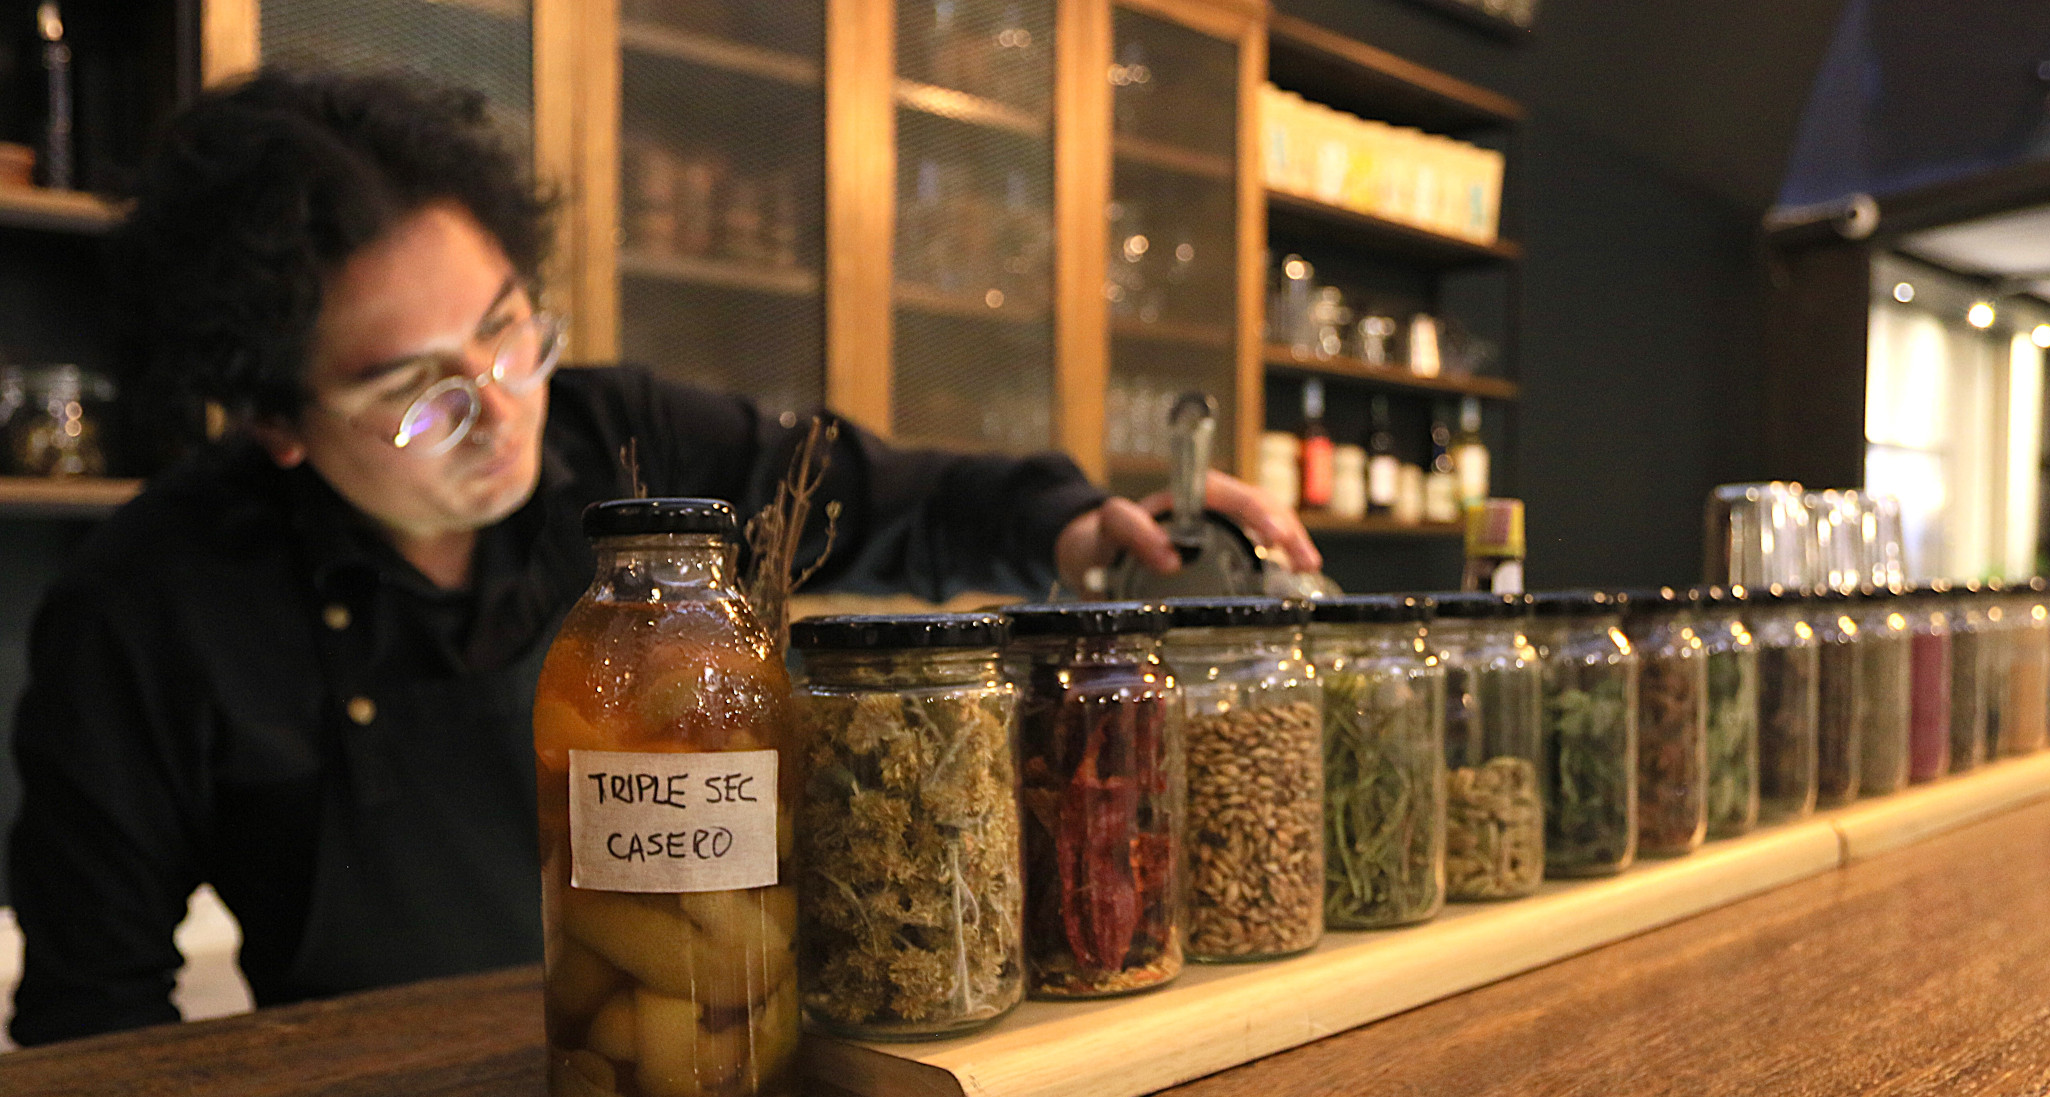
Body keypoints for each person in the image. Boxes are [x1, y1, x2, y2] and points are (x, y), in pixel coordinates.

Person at [5, 70, 1317, 1046]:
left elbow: (885, 497)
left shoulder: (627, 448)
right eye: (419, 396)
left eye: (509, 333)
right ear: (278, 421)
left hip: (704, 1058)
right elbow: (92, 1014)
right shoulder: (146, 607)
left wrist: (1076, 528)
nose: (503, 411)